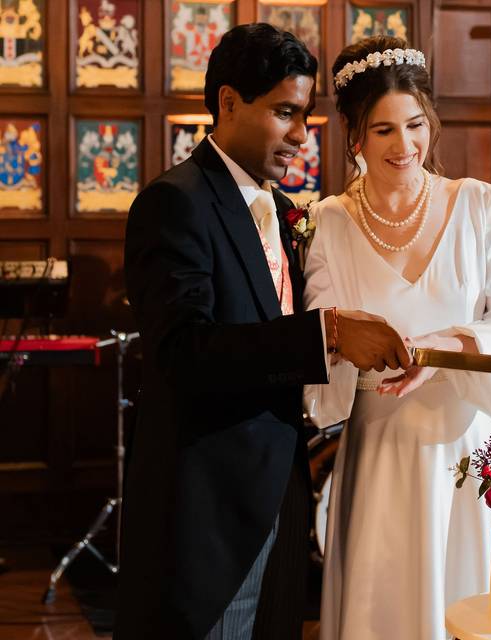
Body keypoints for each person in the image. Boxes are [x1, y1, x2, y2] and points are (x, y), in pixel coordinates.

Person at [118, 24, 410, 640]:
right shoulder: (176, 203)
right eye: (284, 113)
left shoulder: (281, 210)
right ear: (228, 103)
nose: (301, 136)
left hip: (281, 498)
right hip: (206, 513)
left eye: (305, 116)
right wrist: (324, 335)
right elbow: (181, 352)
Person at [303, 36, 491, 640]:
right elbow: (317, 356)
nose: (403, 145)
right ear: (354, 136)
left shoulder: (483, 208)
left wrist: (446, 348)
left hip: (469, 454)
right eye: (382, 131)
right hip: (381, 455)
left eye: (414, 125)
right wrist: (346, 344)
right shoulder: (327, 223)